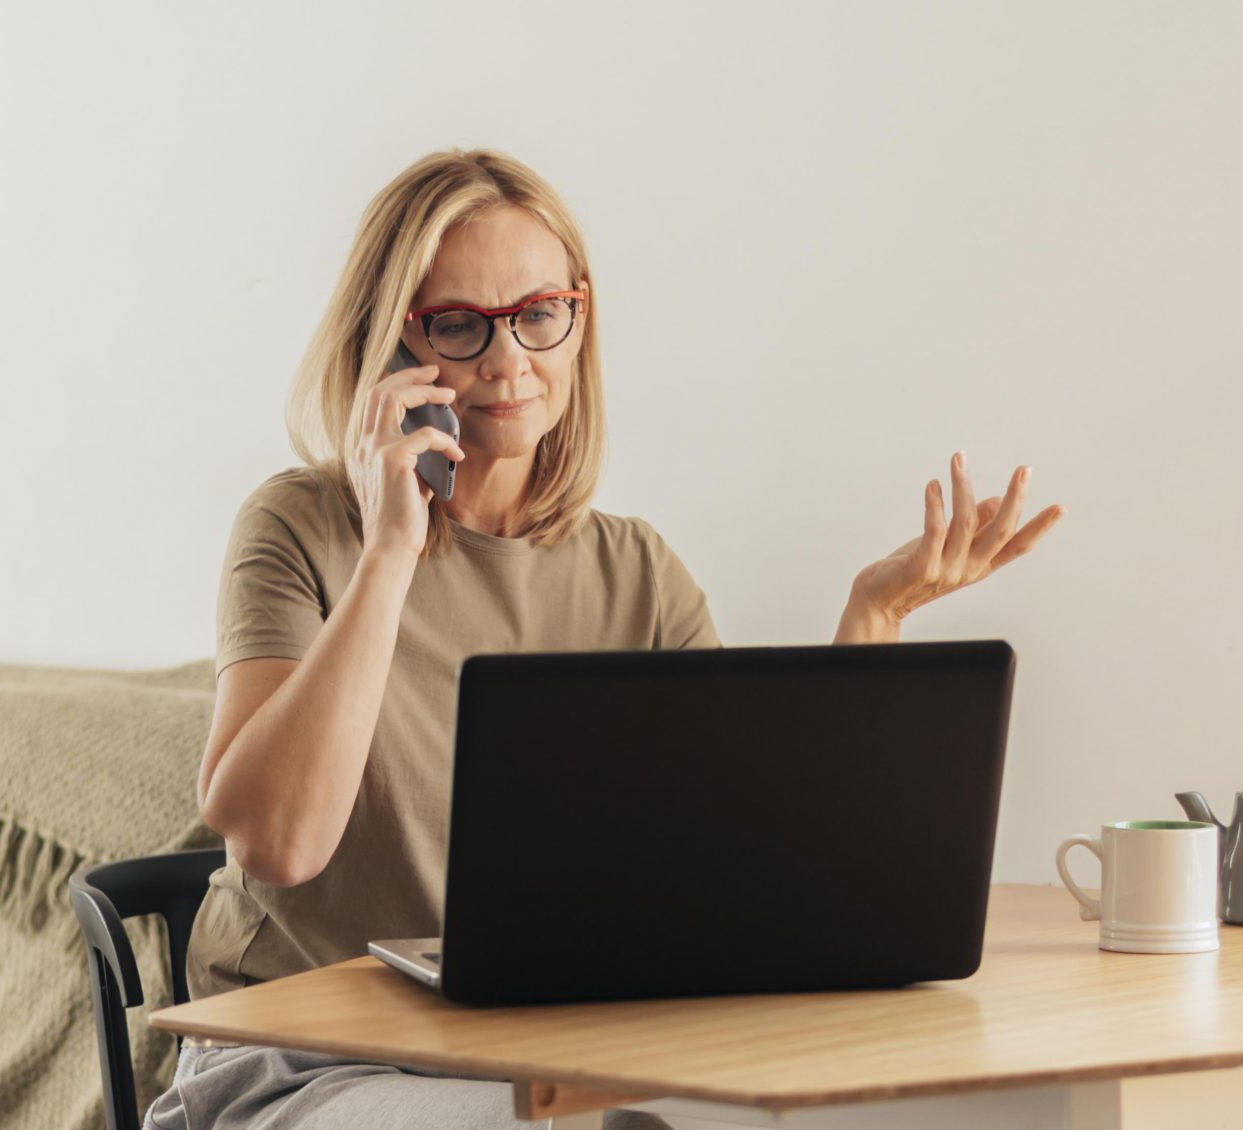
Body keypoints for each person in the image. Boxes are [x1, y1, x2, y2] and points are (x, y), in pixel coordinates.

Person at [147, 148, 1064, 1130]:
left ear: (578, 320)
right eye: (458, 325)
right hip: (301, 1063)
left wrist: (873, 620)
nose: (508, 362)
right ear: (390, 345)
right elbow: (278, 843)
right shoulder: (298, 528)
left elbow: (756, 867)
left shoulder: (636, 572)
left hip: (551, 1050)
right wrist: (388, 554)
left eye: (539, 314)